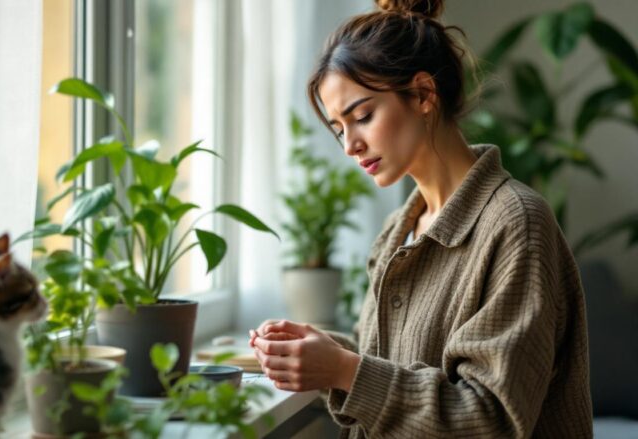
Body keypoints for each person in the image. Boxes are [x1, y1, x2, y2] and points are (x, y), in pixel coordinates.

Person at [248, 0, 593, 437]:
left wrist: (344, 369)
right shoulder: (398, 231)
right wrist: (321, 353)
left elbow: (490, 418)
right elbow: (389, 361)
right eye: (339, 129)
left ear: (424, 94)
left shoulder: (516, 224)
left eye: (362, 116)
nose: (350, 146)